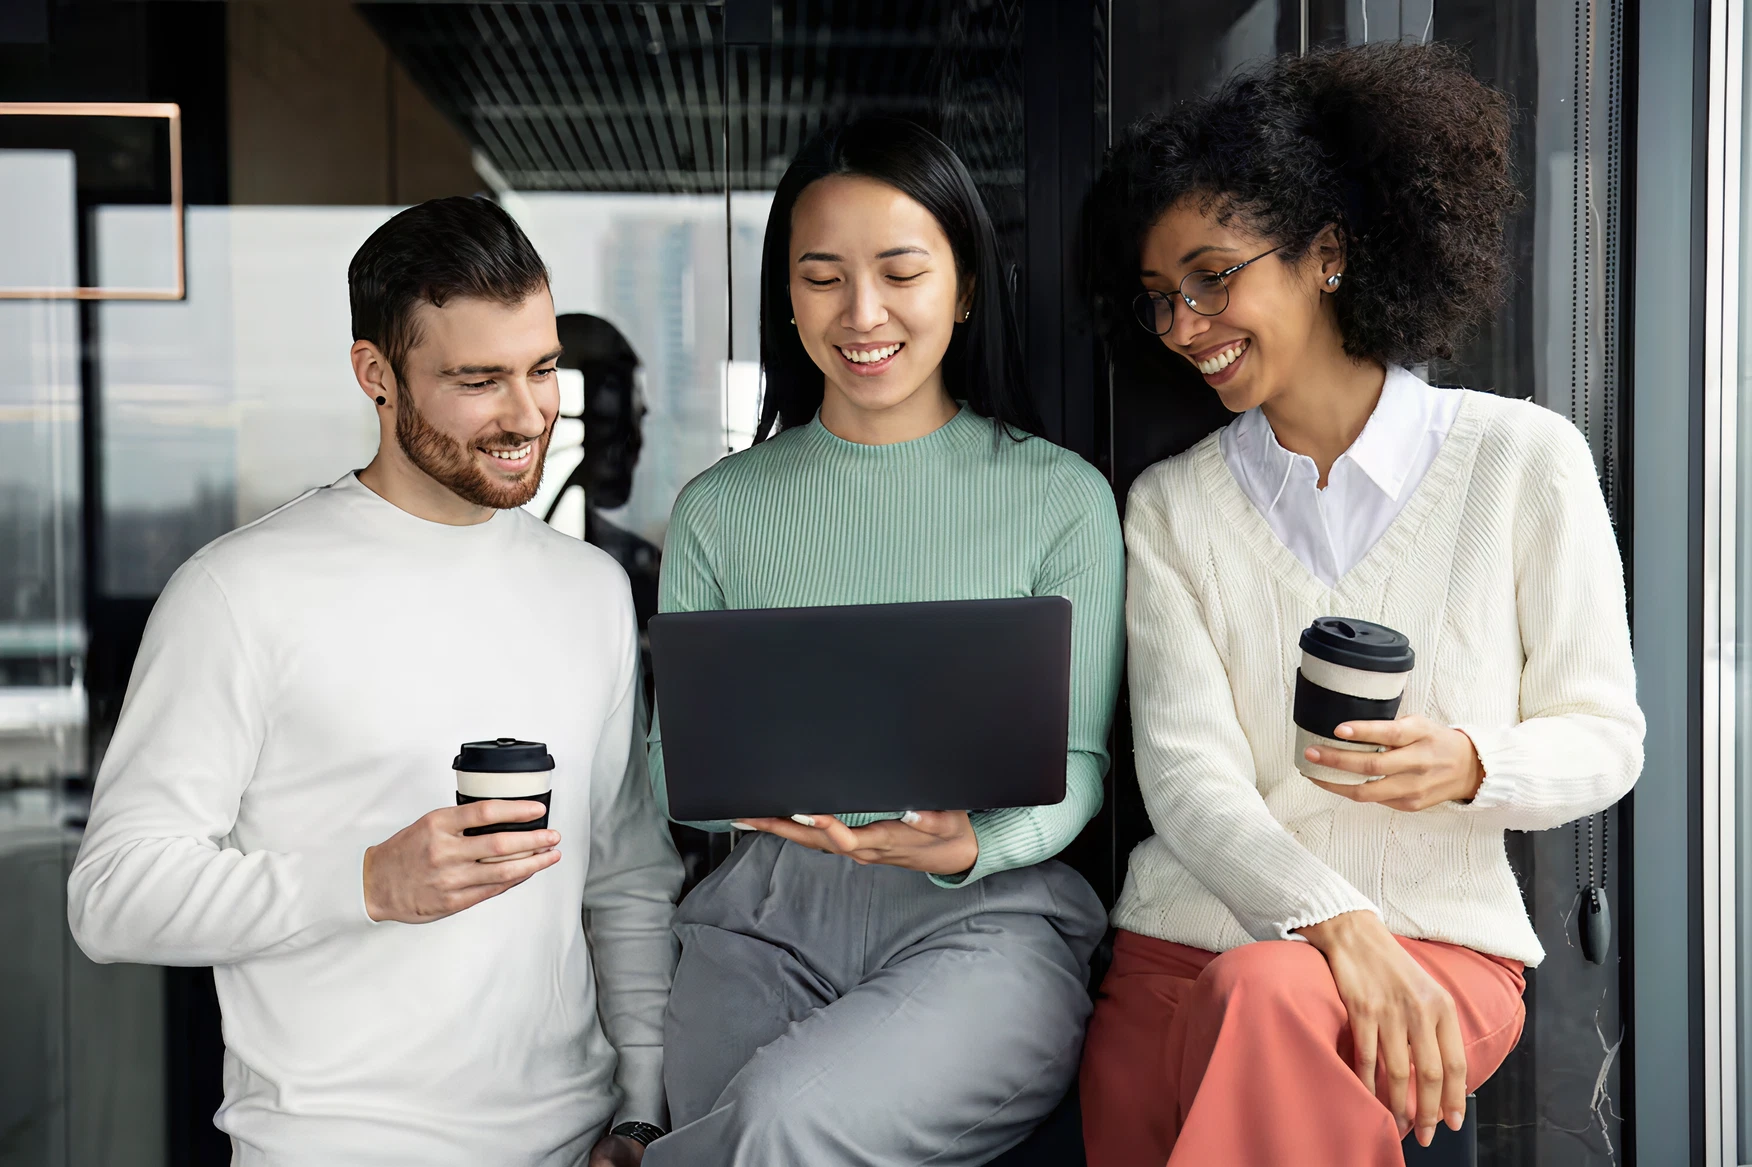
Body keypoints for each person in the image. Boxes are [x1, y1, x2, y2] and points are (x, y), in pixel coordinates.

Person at [1078, 42, 1645, 1167]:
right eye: (1160, 302)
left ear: (1326, 255)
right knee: (1257, 991)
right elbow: (1188, 781)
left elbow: (1606, 738)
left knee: (1274, 999)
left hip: (1435, 951)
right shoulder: (1173, 508)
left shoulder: (1522, 462)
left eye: (1214, 277)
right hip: (1183, 952)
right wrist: (1338, 926)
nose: (1187, 325)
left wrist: (1477, 764)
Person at [66, 196, 682, 1167]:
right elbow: (113, 897)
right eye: (478, 380)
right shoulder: (238, 594)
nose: (527, 414)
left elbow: (627, 875)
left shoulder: (591, 591)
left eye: (542, 368)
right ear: (375, 376)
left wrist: (643, 1105)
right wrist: (365, 882)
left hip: (573, 1146)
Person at [638, 117, 1125, 1166]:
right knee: (743, 1118)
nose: (863, 314)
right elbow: (671, 765)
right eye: (823, 277)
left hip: (987, 919)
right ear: (787, 296)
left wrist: (972, 846)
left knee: (776, 1120)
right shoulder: (721, 510)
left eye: (901, 272)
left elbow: (1077, 766)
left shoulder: (1059, 500)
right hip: (761, 914)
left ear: (964, 287)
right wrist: (745, 789)